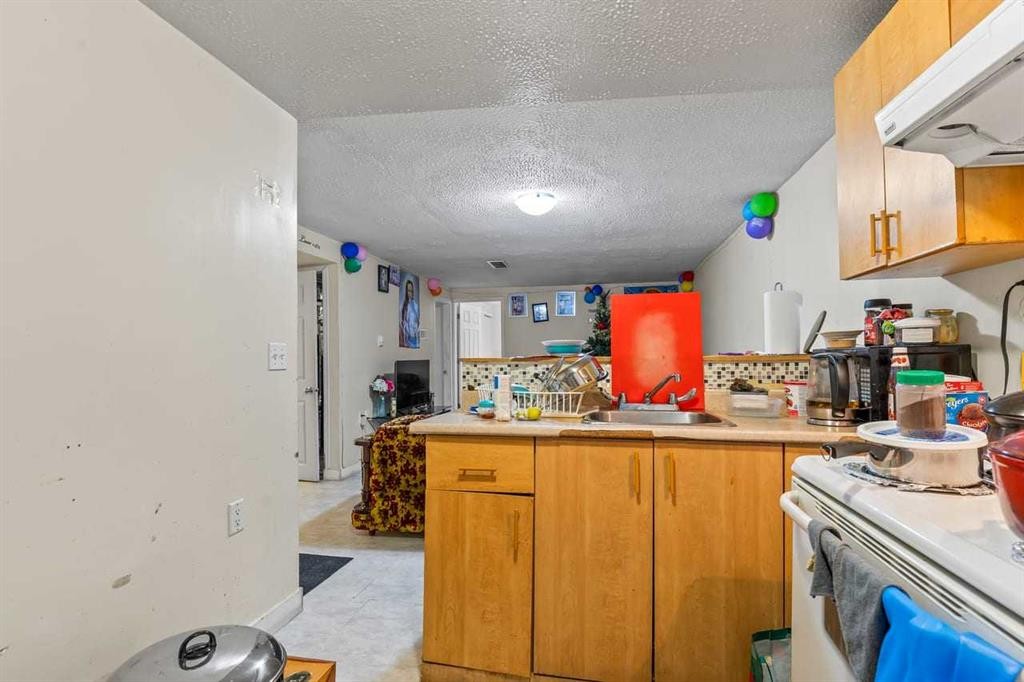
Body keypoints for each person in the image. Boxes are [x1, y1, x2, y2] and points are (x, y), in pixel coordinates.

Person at [400, 279, 419, 348]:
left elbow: (417, 321)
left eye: (411, 291)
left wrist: (415, 329)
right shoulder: (404, 305)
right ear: (406, 291)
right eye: (408, 291)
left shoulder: (415, 306)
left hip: (414, 336)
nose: (410, 293)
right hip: (407, 337)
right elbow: (403, 322)